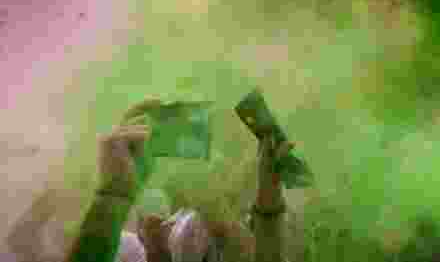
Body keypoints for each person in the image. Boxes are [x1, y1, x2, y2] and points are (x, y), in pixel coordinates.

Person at [63, 99, 294, 262]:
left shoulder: (287, 219)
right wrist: (115, 197)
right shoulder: (189, 228)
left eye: (234, 146)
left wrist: (112, 197)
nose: (221, 159)